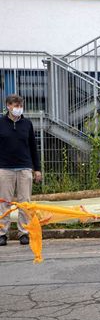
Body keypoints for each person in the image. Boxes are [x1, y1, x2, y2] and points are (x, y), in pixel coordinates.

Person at [0, 94, 42, 246]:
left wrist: (37, 169)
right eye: (15, 105)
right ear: (8, 106)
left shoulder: (27, 124)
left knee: (25, 202)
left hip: (25, 168)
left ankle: (23, 232)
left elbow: (33, 147)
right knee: (4, 202)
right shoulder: (1, 123)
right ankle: (2, 233)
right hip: (5, 168)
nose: (18, 108)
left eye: (20, 105)